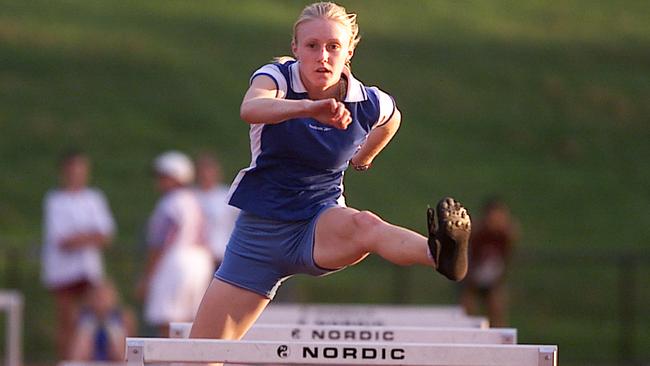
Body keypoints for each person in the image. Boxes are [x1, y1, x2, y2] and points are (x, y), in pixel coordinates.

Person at [190, 2, 471, 341]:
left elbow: (392, 119)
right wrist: (308, 108)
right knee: (201, 355)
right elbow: (251, 108)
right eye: (312, 46)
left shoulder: (367, 101)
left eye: (333, 47)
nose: (322, 56)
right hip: (259, 235)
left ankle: (439, 253)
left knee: (365, 224)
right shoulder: (278, 77)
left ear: (349, 51)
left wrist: (364, 157)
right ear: (295, 48)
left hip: (318, 222)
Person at [41, 149, 116, 359]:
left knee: (94, 320)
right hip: (63, 271)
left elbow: (106, 235)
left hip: (89, 269)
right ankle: (66, 360)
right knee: (66, 321)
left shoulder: (94, 198)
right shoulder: (55, 200)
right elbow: (63, 240)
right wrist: (89, 235)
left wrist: (80, 237)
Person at [137, 150, 214, 336]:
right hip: (201, 262)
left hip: (176, 261)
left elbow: (159, 243)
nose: (159, 181)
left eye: (164, 177)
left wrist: (147, 277)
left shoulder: (169, 203)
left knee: (168, 321)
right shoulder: (196, 199)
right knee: (190, 323)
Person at [460, 197, 519, 327]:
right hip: (472, 278)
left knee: (497, 307)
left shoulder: (505, 236)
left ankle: (499, 339)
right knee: (468, 309)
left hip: (493, 280)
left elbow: (505, 258)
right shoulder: (478, 234)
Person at [68, 279, 137, 361]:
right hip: (90, 361)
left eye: (104, 296)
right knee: (83, 335)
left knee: (117, 337)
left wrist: (112, 329)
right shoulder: (80, 317)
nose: (101, 301)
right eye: (97, 296)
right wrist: (89, 328)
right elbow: (75, 356)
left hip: (115, 361)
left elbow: (128, 355)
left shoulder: (124, 317)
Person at [194, 152, 240, 267]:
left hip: (220, 254)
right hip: (198, 255)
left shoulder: (227, 196)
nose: (205, 175)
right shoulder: (192, 196)